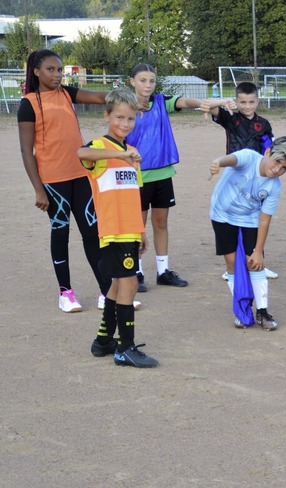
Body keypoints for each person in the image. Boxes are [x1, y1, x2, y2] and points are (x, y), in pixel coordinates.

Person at [17, 49, 112, 313]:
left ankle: (107, 291)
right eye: (51, 69)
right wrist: (39, 190)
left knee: (92, 233)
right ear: (36, 71)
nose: (57, 75)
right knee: (60, 232)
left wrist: (127, 97)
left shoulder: (67, 93)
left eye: (60, 70)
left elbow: (100, 97)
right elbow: (26, 151)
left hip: (81, 176)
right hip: (52, 182)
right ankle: (65, 293)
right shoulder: (29, 104)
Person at [79, 89, 158, 368]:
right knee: (130, 284)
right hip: (112, 230)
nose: (125, 124)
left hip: (130, 230)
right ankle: (125, 347)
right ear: (107, 116)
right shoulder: (100, 147)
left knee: (118, 284)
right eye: (119, 118)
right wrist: (117, 155)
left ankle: (103, 342)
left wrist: (142, 231)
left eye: (131, 119)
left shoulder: (132, 153)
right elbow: (81, 152)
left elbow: (134, 195)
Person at [127, 64, 209, 292]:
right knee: (137, 226)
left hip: (163, 174)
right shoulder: (125, 106)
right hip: (137, 176)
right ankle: (137, 271)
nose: (147, 85)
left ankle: (163, 271)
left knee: (161, 222)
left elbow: (184, 102)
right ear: (131, 81)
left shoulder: (162, 102)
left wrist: (200, 103)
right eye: (142, 80)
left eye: (151, 81)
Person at [208, 136, 286, 330]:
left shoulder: (274, 186)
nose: (277, 170)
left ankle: (262, 311)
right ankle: (242, 310)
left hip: (250, 217)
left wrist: (258, 251)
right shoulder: (249, 157)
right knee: (232, 262)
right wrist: (218, 161)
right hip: (222, 214)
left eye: (284, 168)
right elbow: (231, 159)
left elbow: (264, 219)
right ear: (267, 152)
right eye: (277, 162)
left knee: (255, 263)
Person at [203, 81, 279, 281]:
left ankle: (258, 258)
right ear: (236, 101)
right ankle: (232, 266)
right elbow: (208, 105)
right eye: (242, 102)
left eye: (251, 102)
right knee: (232, 218)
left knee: (256, 220)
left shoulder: (264, 124)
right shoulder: (230, 118)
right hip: (235, 176)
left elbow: (270, 149)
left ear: (257, 101)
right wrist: (223, 101)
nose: (247, 106)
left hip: (258, 176)